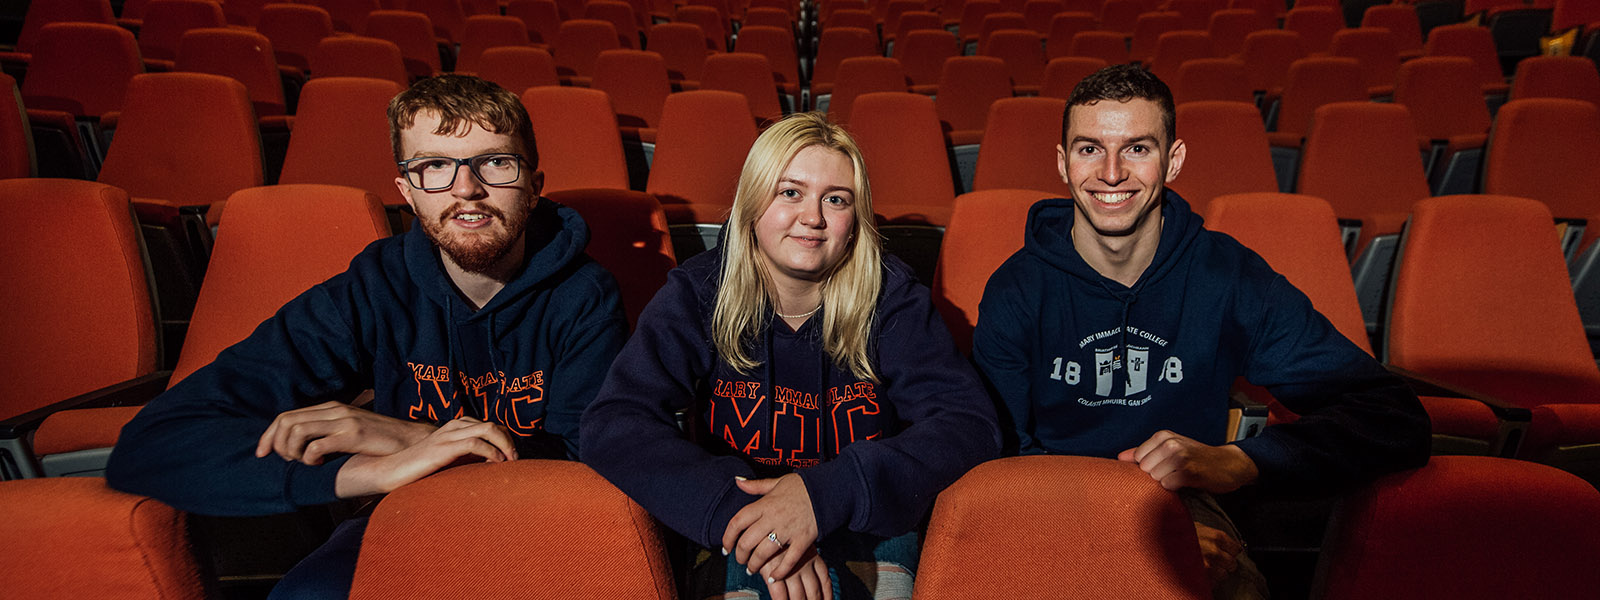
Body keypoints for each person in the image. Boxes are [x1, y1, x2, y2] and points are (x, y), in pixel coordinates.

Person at [106, 74, 630, 598]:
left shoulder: (583, 295)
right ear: (407, 192)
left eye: (495, 162)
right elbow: (153, 446)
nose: (466, 189)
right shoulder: (372, 289)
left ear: (534, 185)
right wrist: (366, 473)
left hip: (543, 524)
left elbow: (596, 473)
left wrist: (416, 437)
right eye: (434, 167)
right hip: (406, 511)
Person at [971, 64, 1430, 599]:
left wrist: (1240, 461)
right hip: (1052, 498)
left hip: (1183, 501)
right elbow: (997, 454)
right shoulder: (1016, 288)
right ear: (1062, 163)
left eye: (1138, 148)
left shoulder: (1228, 276)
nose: (1112, 172)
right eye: (1090, 148)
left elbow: (1391, 416)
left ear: (1174, 160)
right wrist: (1121, 533)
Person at [580, 112, 1000, 600]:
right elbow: (614, 423)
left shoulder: (892, 297)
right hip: (735, 520)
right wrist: (752, 520)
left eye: (836, 200)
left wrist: (821, 495)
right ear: (754, 201)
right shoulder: (697, 293)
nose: (813, 217)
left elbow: (969, 424)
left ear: (855, 220)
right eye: (790, 192)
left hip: (863, 514)